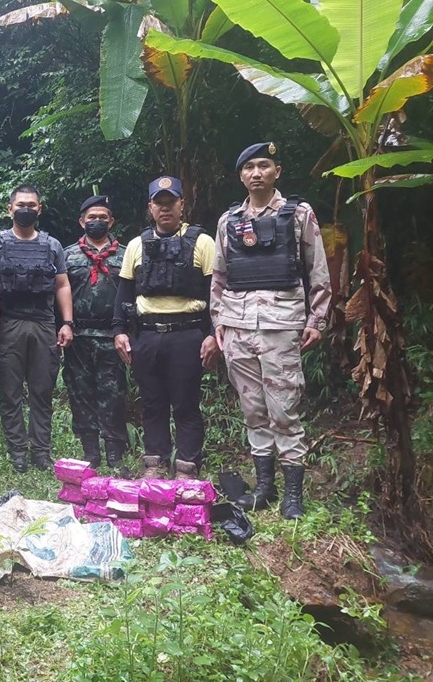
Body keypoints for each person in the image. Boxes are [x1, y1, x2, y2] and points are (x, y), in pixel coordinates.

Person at [212, 142, 331, 519]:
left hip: (281, 326)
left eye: (264, 165)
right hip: (238, 326)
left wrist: (317, 320)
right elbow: (219, 276)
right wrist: (219, 323)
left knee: (285, 410)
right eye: (249, 167)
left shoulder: (299, 214)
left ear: (276, 171)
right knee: (253, 411)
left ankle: (293, 496)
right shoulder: (229, 220)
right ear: (241, 176)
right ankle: (264, 488)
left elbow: (319, 271)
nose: (256, 173)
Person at [112, 176, 220, 480]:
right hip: (146, 335)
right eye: (159, 203)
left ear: (182, 204)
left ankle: (187, 466)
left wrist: (213, 335)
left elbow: (216, 294)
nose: (165, 208)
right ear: (150, 207)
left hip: (187, 335)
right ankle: (154, 465)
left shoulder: (202, 242)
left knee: (186, 404)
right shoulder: (136, 245)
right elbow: (124, 294)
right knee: (152, 403)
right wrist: (119, 331)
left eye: (171, 202)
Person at [0, 185, 74, 473]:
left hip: (43, 323)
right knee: (10, 391)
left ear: (40, 209)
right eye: (21, 204)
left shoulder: (52, 246)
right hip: (9, 323)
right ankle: (17, 451)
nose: (26, 209)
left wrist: (67, 322)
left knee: (42, 391)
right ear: (10, 209)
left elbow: (62, 285)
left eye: (32, 204)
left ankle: (40, 451)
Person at [62, 194, 129, 469]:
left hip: (112, 336)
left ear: (111, 221)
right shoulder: (67, 255)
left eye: (103, 217)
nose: (97, 222)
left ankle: (115, 451)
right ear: (81, 222)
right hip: (78, 336)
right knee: (80, 393)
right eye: (92, 218)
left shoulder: (126, 255)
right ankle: (90, 451)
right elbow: (59, 294)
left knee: (113, 394)